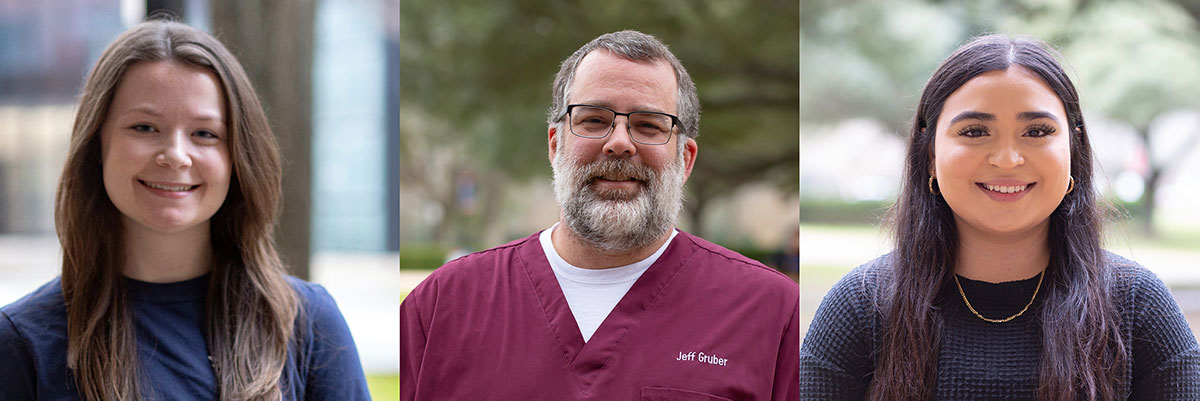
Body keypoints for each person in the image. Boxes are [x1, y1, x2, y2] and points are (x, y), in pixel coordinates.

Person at [399, 30, 799, 400]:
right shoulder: (439, 308)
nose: (619, 143)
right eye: (593, 120)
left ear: (686, 159)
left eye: (648, 125)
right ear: (555, 145)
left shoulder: (772, 313)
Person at [800, 34, 1200, 400]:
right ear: (931, 156)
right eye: (975, 132)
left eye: (1037, 131)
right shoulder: (860, 307)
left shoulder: (1136, 306)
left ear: (1074, 149)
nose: (1008, 159)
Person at [0, 19, 370, 401]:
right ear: (97, 145)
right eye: (144, 127)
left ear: (237, 158)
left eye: (204, 134)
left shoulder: (308, 326)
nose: (176, 155)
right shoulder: (21, 342)